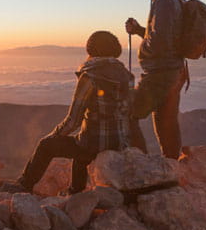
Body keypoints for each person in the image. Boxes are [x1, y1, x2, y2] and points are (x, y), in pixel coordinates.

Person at [13, 30, 134, 194]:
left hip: (95, 144)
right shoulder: (127, 76)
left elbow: (73, 120)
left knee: (47, 145)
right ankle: (76, 191)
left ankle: (24, 185)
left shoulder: (90, 76)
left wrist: (54, 135)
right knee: (80, 143)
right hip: (119, 143)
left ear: (90, 50)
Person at [125, 0, 188, 158]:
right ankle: (172, 165)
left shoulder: (164, 1)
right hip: (175, 70)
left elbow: (160, 40)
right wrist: (138, 31)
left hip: (161, 72)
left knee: (127, 112)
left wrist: (145, 49)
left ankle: (142, 164)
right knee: (166, 120)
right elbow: (168, 35)